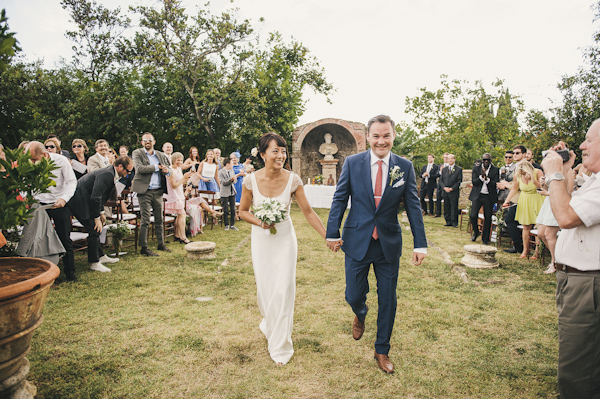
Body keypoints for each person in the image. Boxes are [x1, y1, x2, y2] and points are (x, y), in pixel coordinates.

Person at [325, 115, 427, 374]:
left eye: (386, 135)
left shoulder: (404, 166)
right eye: (376, 136)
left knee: (388, 299)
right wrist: (332, 231)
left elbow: (413, 207)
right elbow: (339, 200)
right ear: (368, 137)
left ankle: (382, 349)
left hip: (388, 244)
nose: (381, 141)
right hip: (357, 239)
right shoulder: (352, 163)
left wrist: (420, 244)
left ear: (393, 136)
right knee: (353, 295)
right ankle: (360, 312)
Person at [239, 132, 326, 366]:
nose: (281, 155)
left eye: (284, 151)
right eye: (275, 151)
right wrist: (260, 222)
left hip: (285, 239)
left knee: (283, 290)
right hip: (261, 240)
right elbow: (243, 211)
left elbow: (308, 212)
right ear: (262, 154)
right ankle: (269, 323)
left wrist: (328, 236)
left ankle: (280, 346)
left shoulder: (293, 179)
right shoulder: (250, 181)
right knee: (266, 290)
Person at [541, 119, 600, 399]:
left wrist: (552, 173)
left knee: (578, 370)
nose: (582, 145)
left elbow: (564, 217)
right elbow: (567, 201)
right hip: (578, 282)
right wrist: (564, 170)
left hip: (588, 286)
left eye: (589, 140)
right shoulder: (594, 182)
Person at [67, 157, 132, 272]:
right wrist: (97, 217)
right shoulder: (107, 174)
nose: (128, 174)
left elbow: (100, 196)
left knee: (97, 229)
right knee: (94, 229)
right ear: (120, 166)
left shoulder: (111, 172)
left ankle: (101, 256)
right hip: (79, 202)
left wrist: (101, 212)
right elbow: (96, 196)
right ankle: (94, 262)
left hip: (86, 201)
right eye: (128, 171)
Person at [26, 141, 77, 281]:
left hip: (59, 204)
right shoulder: (29, 163)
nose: (32, 162)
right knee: (40, 240)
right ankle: (44, 274)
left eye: (34, 159)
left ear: (44, 154)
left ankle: (70, 273)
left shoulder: (61, 161)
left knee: (64, 239)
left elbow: (71, 181)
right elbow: (25, 183)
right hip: (39, 205)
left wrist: (64, 199)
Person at [131, 132, 172, 256]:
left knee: (160, 219)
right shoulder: (137, 153)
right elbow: (139, 169)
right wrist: (157, 167)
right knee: (145, 219)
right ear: (142, 143)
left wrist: (166, 170)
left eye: (149, 140)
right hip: (144, 191)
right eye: (145, 140)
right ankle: (144, 247)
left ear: (154, 142)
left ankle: (161, 244)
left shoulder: (160, 154)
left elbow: (169, 169)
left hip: (158, 191)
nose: (147, 142)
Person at [502, 161, 544, 258]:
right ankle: (525, 251)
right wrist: (507, 201)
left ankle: (537, 252)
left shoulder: (538, 172)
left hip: (537, 199)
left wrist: (533, 180)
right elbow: (514, 188)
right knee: (526, 227)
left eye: (523, 173)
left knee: (537, 227)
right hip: (524, 201)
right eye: (521, 173)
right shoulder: (518, 175)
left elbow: (543, 187)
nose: (522, 175)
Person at [469, 153, 499, 244]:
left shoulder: (495, 170)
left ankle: (485, 238)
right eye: (484, 160)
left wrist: (488, 180)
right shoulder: (476, 169)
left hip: (488, 197)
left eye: (488, 160)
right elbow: (474, 182)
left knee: (488, 217)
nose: (486, 162)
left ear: (491, 161)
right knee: (473, 215)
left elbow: (496, 184)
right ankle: (476, 232)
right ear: (482, 160)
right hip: (478, 195)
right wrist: (481, 178)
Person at [501, 146, 526, 254]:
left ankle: (519, 246)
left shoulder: (524, 166)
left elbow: (521, 185)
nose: (515, 155)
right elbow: (515, 186)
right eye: (514, 153)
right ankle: (518, 246)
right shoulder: (518, 166)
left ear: (524, 154)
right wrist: (507, 200)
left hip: (523, 199)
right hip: (516, 199)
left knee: (510, 220)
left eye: (517, 153)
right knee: (511, 221)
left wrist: (507, 185)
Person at [165, 152, 193, 244]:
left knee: (179, 215)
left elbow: (181, 182)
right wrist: (183, 178)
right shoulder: (170, 170)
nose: (180, 162)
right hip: (173, 195)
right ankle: (183, 237)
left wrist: (186, 179)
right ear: (173, 160)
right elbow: (173, 185)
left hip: (179, 194)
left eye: (181, 160)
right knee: (182, 214)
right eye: (178, 160)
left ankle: (177, 235)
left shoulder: (178, 169)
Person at [440, 153, 462, 227]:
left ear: (454, 159)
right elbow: (440, 180)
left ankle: (454, 222)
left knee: (454, 207)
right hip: (445, 191)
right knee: (446, 207)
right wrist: (444, 188)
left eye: (451, 158)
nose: (450, 160)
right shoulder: (444, 169)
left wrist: (452, 188)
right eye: (448, 159)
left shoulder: (458, 169)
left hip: (453, 191)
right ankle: (448, 221)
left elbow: (459, 181)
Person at [219, 157, 238, 231]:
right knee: (226, 209)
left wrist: (234, 180)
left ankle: (232, 225)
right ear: (227, 164)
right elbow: (223, 182)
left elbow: (234, 181)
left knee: (233, 209)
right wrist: (231, 179)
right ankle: (226, 224)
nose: (232, 165)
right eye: (231, 163)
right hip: (224, 193)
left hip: (232, 192)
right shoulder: (221, 172)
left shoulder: (232, 171)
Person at [433, 152, 449, 217]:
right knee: (438, 198)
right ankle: (438, 212)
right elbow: (436, 175)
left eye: (447, 157)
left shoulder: (450, 166)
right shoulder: (440, 166)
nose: (445, 159)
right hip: (440, 184)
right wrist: (440, 171)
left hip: (447, 184)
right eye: (444, 157)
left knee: (446, 199)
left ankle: (446, 213)